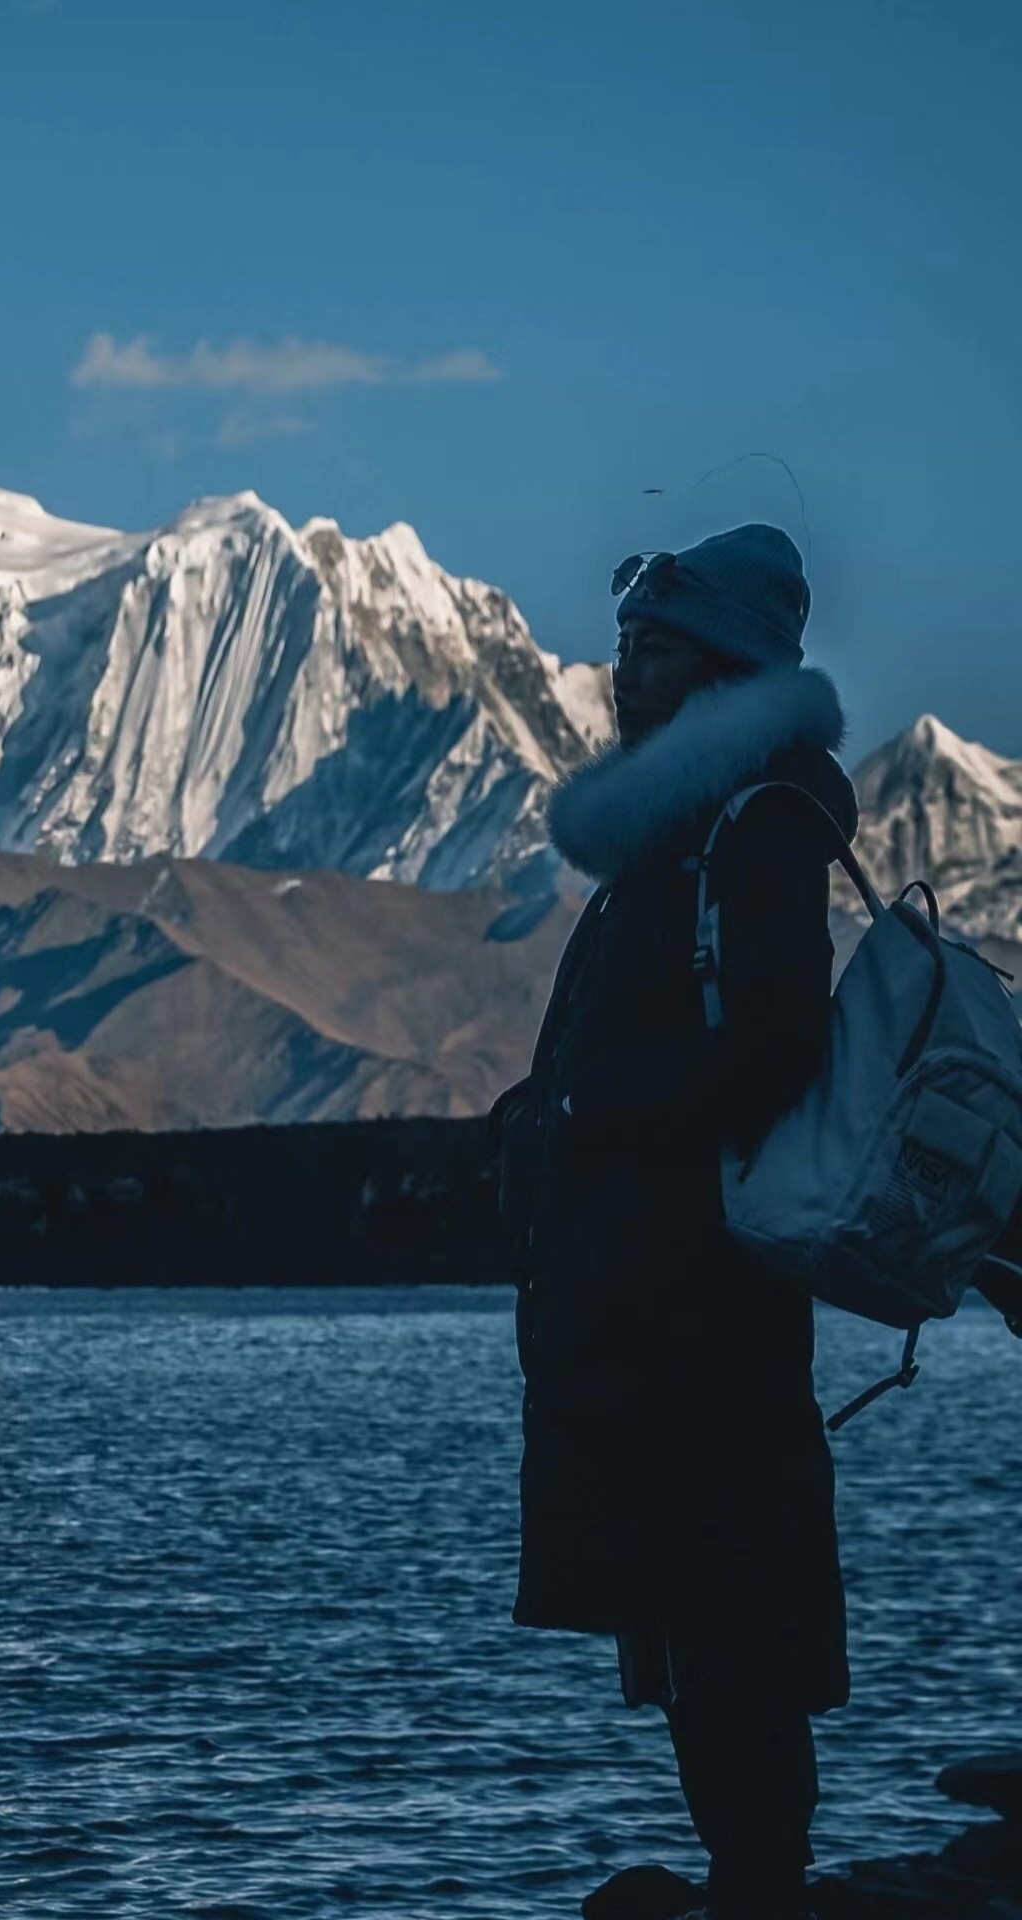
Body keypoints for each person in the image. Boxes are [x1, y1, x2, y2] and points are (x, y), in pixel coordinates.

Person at [494, 526, 851, 1920]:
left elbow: (772, 1047)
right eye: (630, 638)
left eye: (653, 641)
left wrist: (589, 1118)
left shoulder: (752, 829)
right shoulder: (694, 831)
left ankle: (758, 1885)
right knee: (690, 1617)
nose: (624, 664)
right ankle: (748, 1879)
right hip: (654, 1306)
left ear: (718, 664)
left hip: (696, 1309)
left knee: (721, 1613)